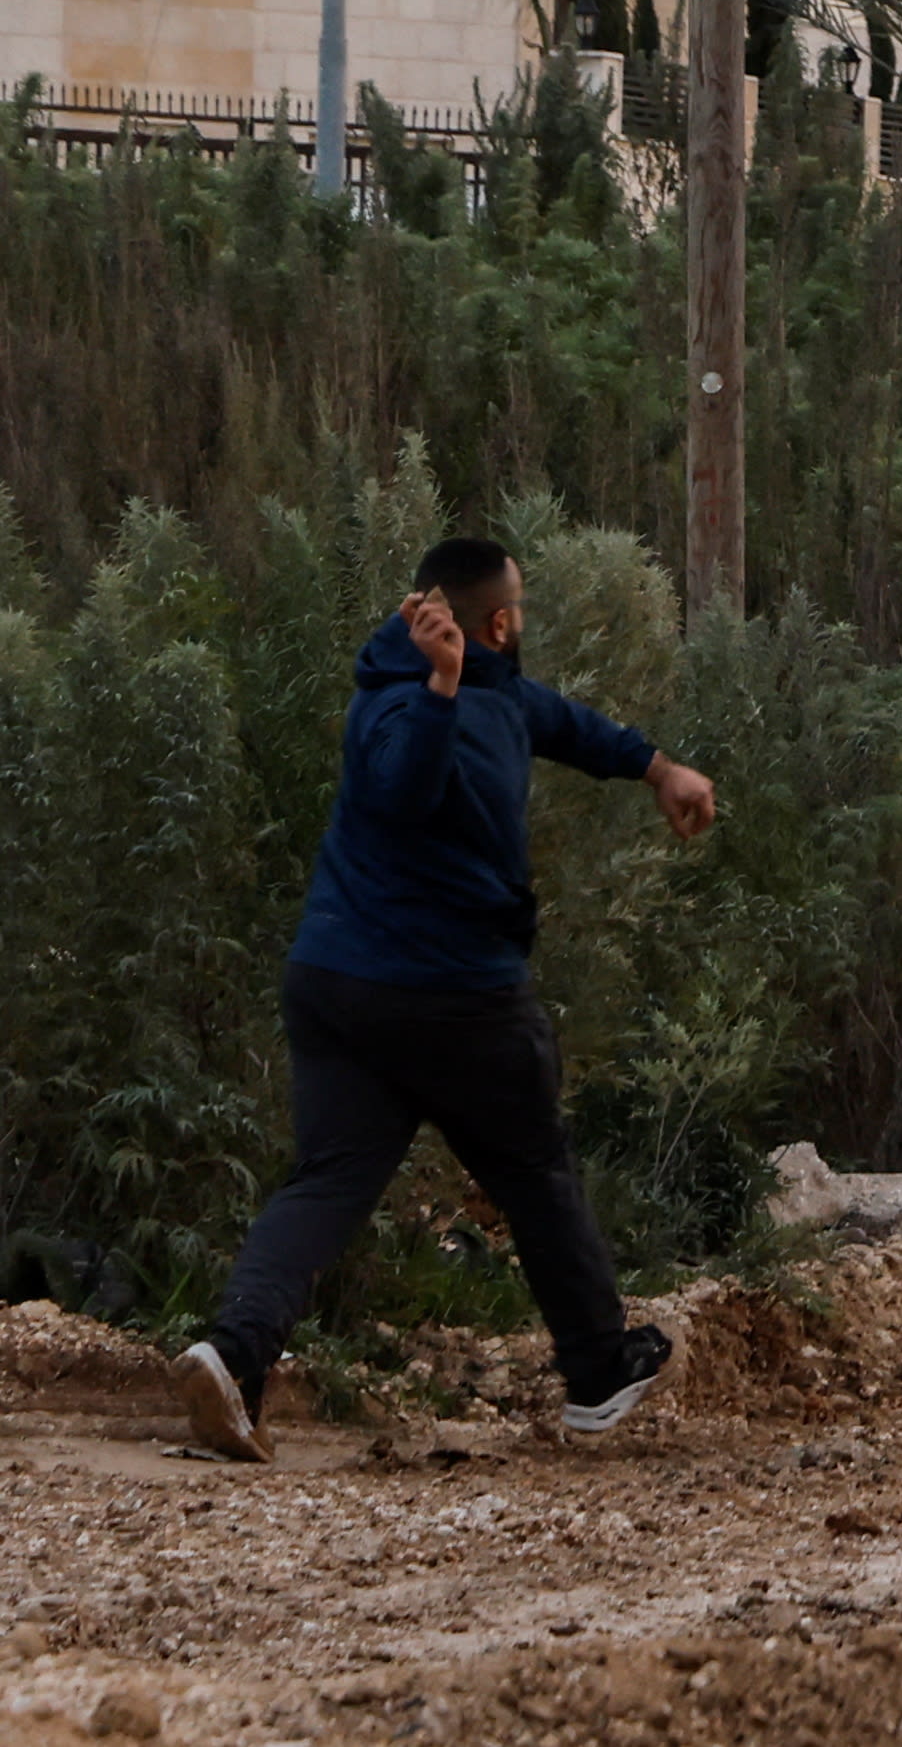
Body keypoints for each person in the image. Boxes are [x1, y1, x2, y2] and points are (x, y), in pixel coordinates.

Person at [170, 538, 718, 1462]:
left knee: (332, 1177)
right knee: (535, 1164)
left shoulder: (491, 690)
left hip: (340, 988)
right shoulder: (406, 704)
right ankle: (595, 1371)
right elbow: (403, 790)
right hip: (452, 996)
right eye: (520, 611)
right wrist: (440, 688)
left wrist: (658, 767)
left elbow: (558, 719)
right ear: (497, 621)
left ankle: (233, 1361)